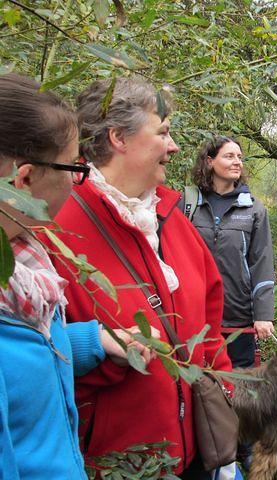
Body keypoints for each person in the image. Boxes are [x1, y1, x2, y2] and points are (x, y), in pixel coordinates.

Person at [43, 77, 234, 479]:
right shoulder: (57, 231)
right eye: (162, 132)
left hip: (198, 455)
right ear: (118, 138)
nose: (174, 146)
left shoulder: (173, 218)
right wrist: (109, 357)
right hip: (121, 467)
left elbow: (210, 330)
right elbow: (38, 368)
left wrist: (226, 412)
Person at [0, 73, 156, 479]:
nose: (77, 178)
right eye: (72, 165)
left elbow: (24, 357)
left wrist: (96, 340)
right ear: (26, 179)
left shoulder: (25, 272)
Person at [181, 136, 276, 470]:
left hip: (239, 318)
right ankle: (204, 452)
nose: (237, 162)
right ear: (209, 161)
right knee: (200, 385)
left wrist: (263, 314)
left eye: (240, 157)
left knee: (241, 387)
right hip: (193, 317)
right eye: (229, 156)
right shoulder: (188, 203)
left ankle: (243, 451)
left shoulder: (253, 208)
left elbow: (263, 262)